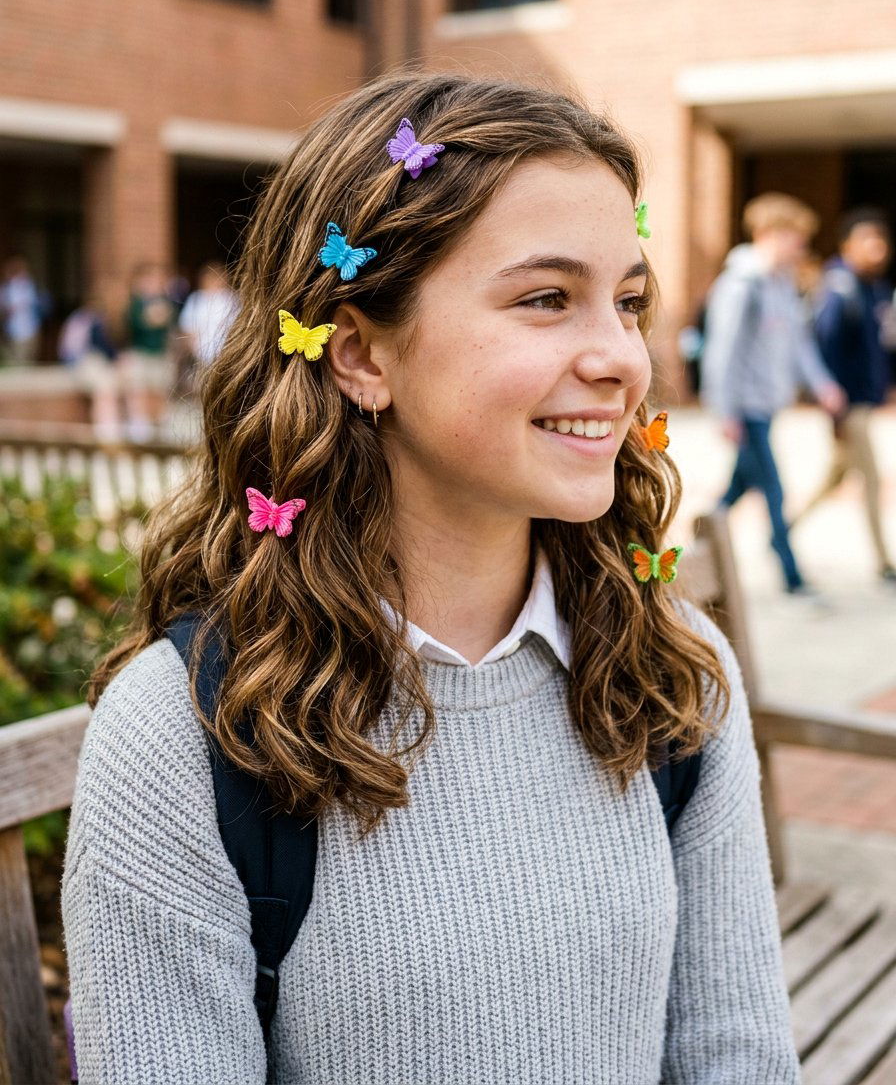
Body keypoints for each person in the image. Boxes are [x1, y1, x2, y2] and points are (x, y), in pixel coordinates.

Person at [61, 74, 800, 1084]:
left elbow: (736, 1058)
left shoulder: (673, 674)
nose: (622, 359)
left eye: (627, 302)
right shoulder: (184, 734)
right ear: (360, 354)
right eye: (546, 299)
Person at [700, 192, 846, 600]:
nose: (800, 246)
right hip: (746, 408)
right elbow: (722, 350)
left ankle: (696, 545)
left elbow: (799, 345)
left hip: (768, 404)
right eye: (795, 237)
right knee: (774, 489)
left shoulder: (782, 284)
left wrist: (823, 385)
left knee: (737, 490)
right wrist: (724, 411)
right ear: (770, 234)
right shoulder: (740, 284)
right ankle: (791, 574)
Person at [795, 207, 895, 584]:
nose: (877, 248)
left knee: (834, 477)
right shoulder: (840, 290)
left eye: (881, 240)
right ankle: (884, 561)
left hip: (865, 401)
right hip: (849, 405)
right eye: (868, 240)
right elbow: (826, 349)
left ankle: (783, 530)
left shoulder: (874, 289)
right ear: (847, 245)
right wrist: (833, 409)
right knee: (872, 479)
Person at [118, 262, 177, 441]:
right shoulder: (135, 304)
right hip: (141, 354)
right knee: (139, 389)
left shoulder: (166, 301)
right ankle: (140, 426)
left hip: (160, 354)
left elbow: (167, 320)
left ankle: (160, 426)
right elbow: (140, 322)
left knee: (160, 389)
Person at [57, 304, 121, 440]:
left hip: (79, 365)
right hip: (84, 365)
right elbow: (104, 348)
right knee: (105, 390)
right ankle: (106, 429)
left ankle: (107, 428)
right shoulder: (94, 322)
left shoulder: (78, 319)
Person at [177, 259, 239, 374]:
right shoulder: (196, 299)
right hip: (200, 357)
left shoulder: (231, 300)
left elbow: (237, 326)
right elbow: (186, 327)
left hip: (224, 356)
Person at [0, 254, 47, 363]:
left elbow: (39, 303)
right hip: (15, 330)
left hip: (32, 327)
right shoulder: (7, 289)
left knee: (30, 359)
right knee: (19, 361)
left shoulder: (30, 286)